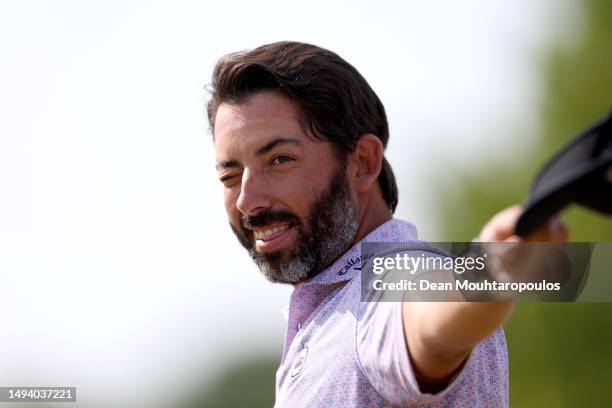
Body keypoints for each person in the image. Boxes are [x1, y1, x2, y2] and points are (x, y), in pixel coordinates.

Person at [207, 41, 569, 407]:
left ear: (363, 162)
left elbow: (428, 323)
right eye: (230, 177)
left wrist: (487, 274)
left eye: (280, 160)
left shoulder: (389, 281)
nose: (247, 200)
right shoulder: (328, 312)